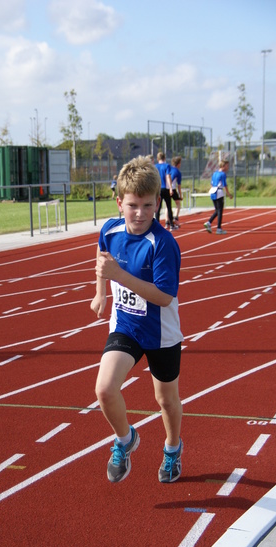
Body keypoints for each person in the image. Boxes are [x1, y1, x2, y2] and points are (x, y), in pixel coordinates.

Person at [90, 155, 184, 485]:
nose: (140, 213)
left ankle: (172, 448)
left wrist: (119, 276)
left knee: (166, 401)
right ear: (119, 203)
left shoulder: (163, 244)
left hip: (161, 333)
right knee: (104, 389)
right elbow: (103, 259)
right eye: (132, 205)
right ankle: (125, 438)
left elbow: (163, 296)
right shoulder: (110, 230)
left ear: (158, 202)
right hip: (126, 325)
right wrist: (101, 291)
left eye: (147, 205)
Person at [204, 160, 233, 234]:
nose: (228, 167)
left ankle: (209, 222)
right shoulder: (223, 174)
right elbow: (225, 185)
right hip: (219, 192)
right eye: (227, 166)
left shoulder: (214, 173)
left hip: (213, 191)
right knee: (220, 211)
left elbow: (211, 183)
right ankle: (218, 228)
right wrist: (228, 194)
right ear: (223, 166)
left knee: (217, 210)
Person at [154, 152, 176, 229]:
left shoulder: (155, 167)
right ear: (164, 158)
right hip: (165, 189)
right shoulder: (167, 166)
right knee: (169, 207)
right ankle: (172, 225)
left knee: (158, 208)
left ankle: (156, 225)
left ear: (157, 159)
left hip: (158, 189)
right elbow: (168, 177)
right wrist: (170, 188)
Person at [170, 156, 183, 227]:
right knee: (178, 204)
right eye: (180, 163)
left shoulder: (169, 169)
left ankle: (167, 221)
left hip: (166, 188)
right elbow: (179, 185)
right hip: (173, 189)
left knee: (167, 205)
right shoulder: (177, 172)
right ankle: (176, 217)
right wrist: (180, 195)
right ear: (178, 164)